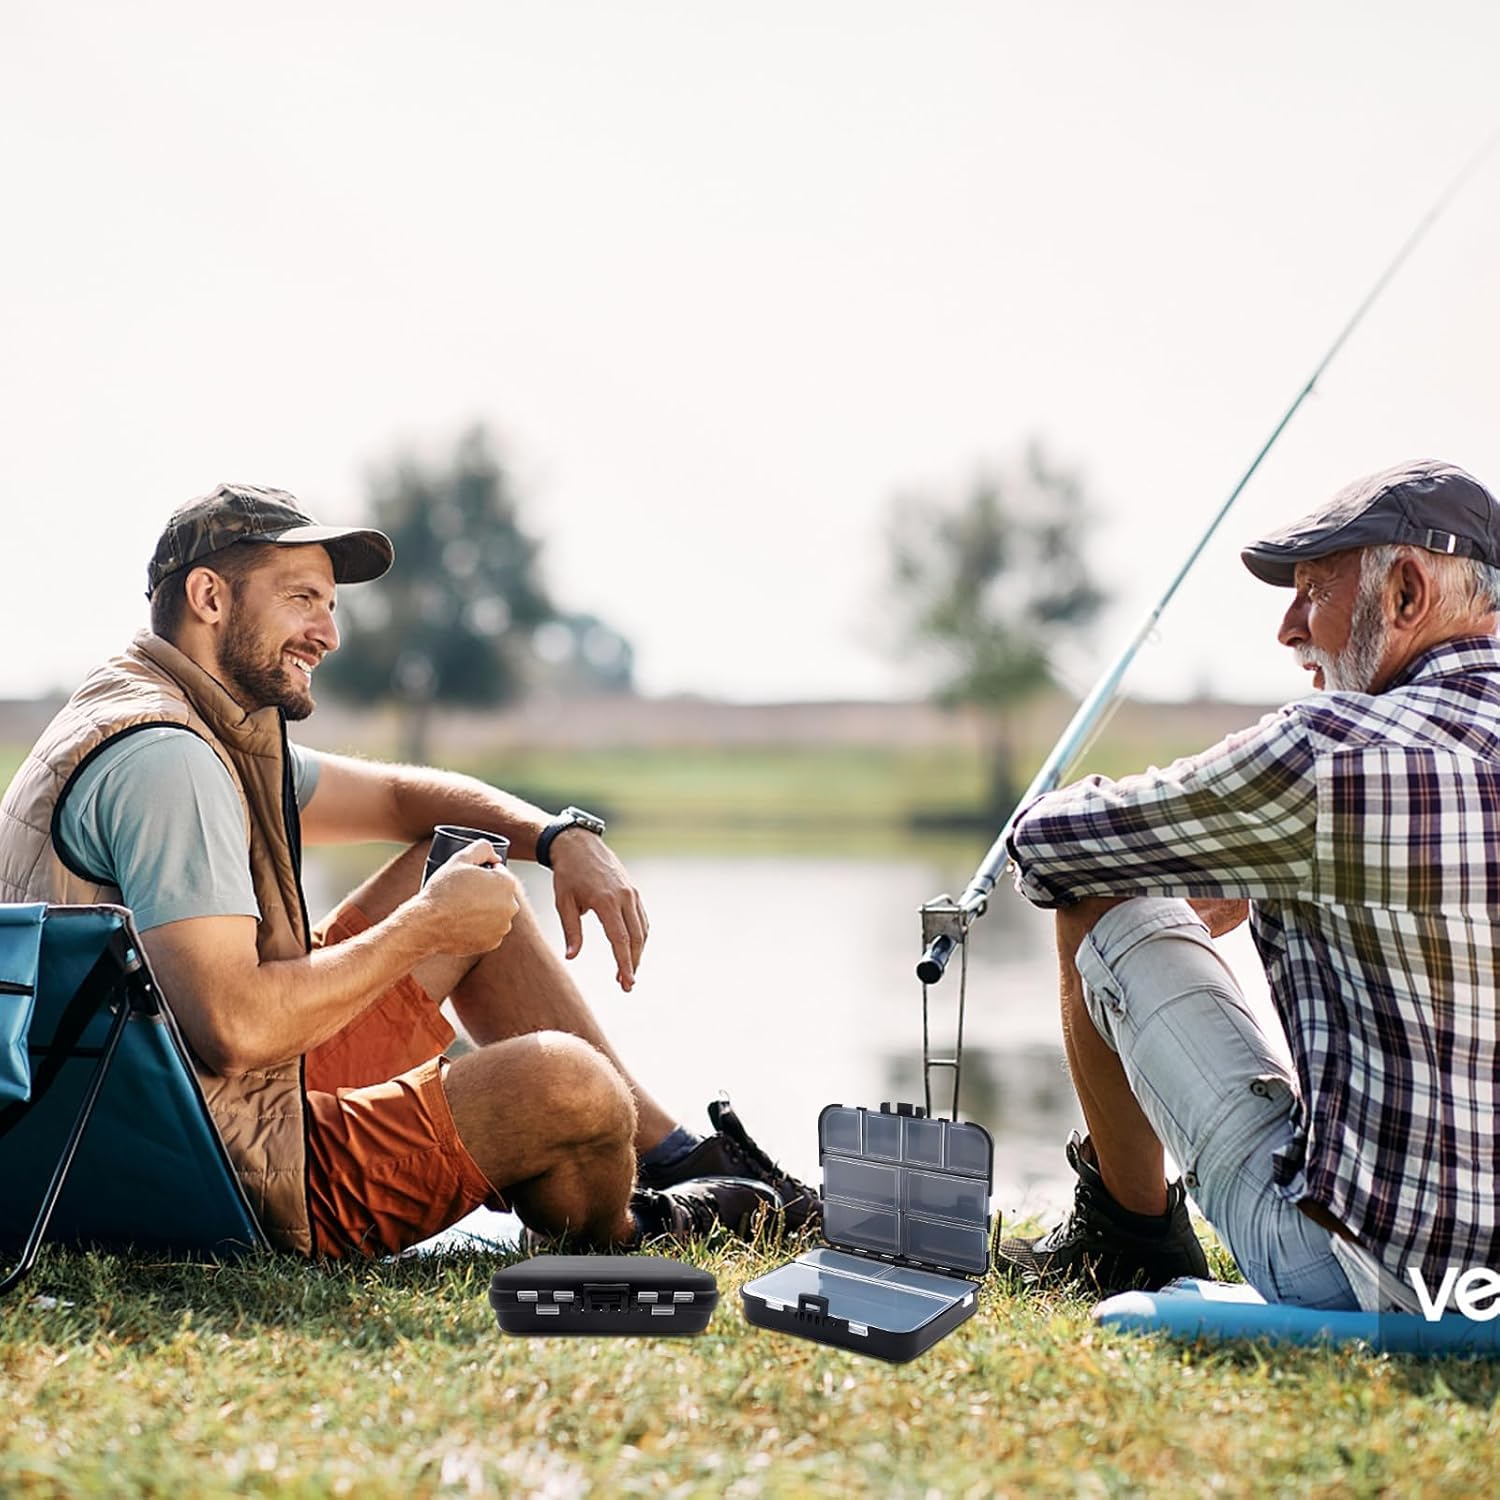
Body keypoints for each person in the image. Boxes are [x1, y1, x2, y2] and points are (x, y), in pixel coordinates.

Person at [0, 483, 816, 1260]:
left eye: (331, 604)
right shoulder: (169, 762)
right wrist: (426, 927)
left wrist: (560, 836)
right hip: (216, 1177)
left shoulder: (158, 714)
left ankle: (676, 1156)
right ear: (210, 599)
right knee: (571, 1086)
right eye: (301, 599)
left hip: (148, 1123)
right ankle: (640, 1221)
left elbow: (397, 798)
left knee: (464, 864)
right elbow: (237, 1028)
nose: (328, 632)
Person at [997, 459, 1500, 1311]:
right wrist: (1272, 878)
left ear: (1407, 593)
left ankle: (1126, 1237)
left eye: (1312, 591)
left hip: (1378, 1283)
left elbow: (1052, 846)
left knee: (1106, 887)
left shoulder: (1329, 753)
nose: (1288, 629)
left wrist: (1235, 862)